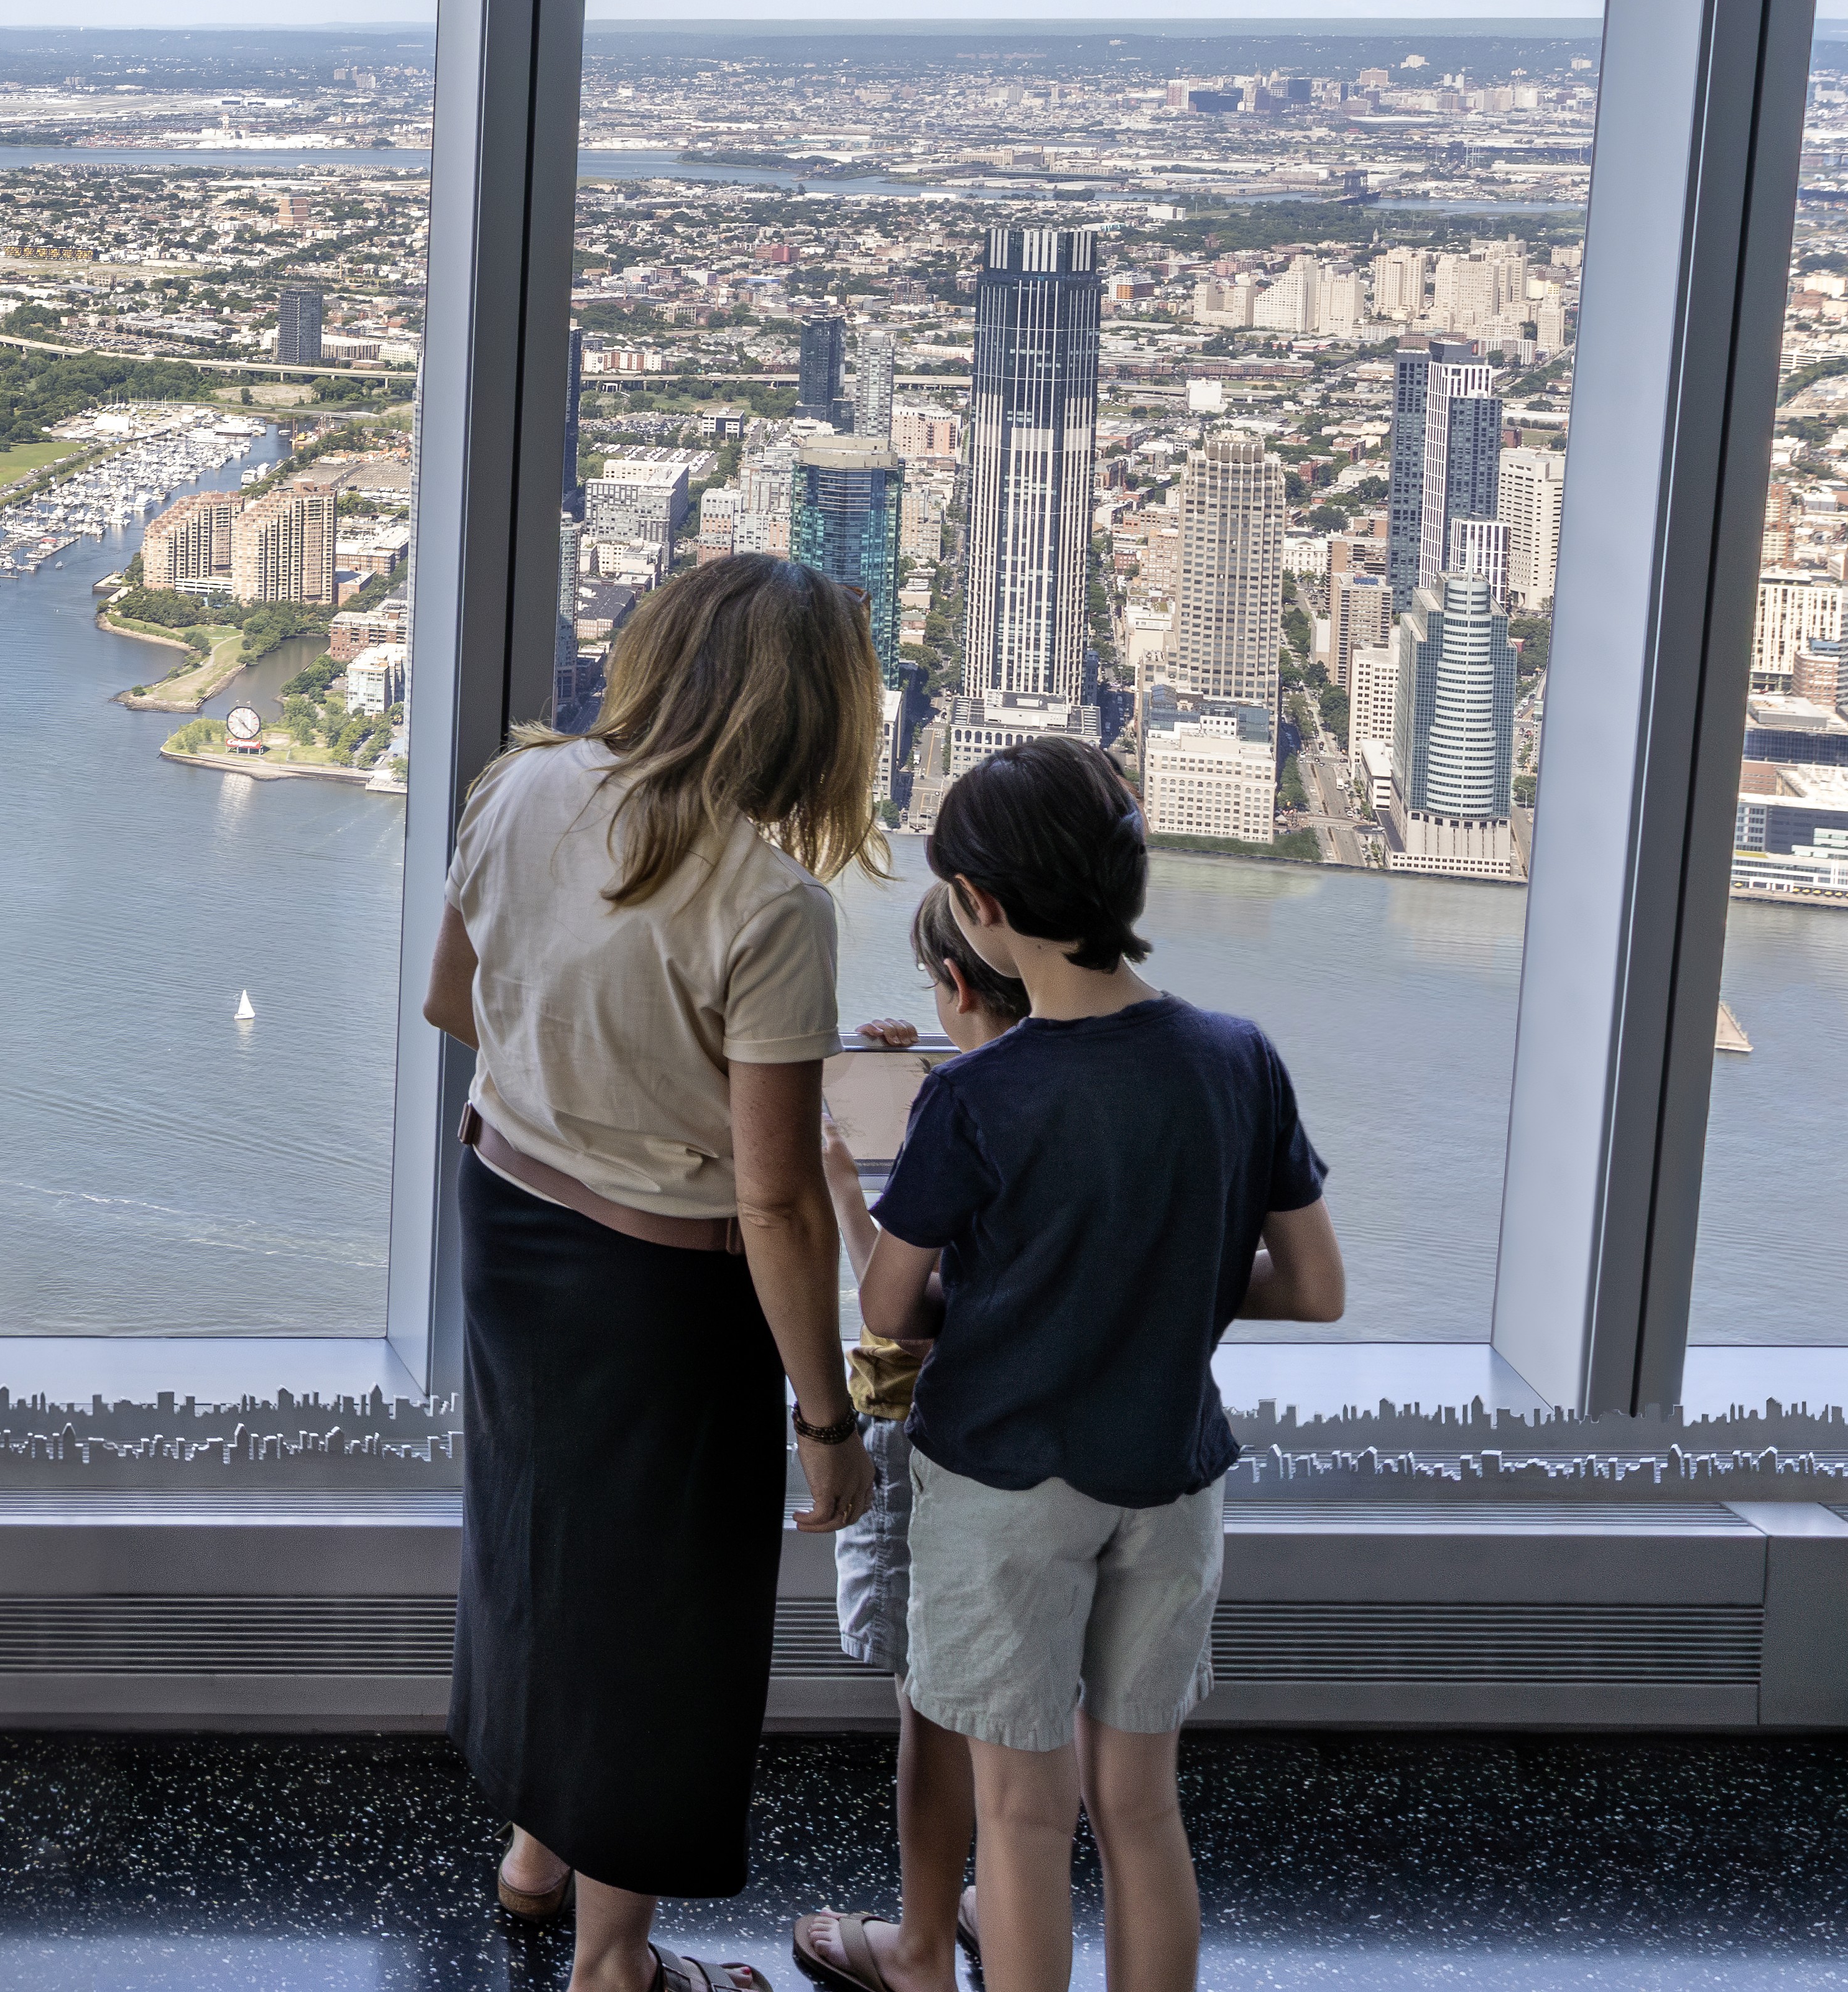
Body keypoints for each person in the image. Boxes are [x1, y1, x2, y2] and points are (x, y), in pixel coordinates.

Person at [424, 552, 887, 1992]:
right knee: (659, 1618)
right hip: (658, 1289)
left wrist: (578, 1072)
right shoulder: (770, 904)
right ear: (813, 722)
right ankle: (615, 1962)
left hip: (504, 1215)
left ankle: (533, 1855)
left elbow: (455, 995)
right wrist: (826, 1417)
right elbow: (776, 1198)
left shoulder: (521, 784)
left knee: (537, 1537)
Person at [853, 737, 1342, 1992]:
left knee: (1021, 1811)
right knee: (1140, 1802)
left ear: (982, 908)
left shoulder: (973, 1096)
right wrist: (1158, 1276)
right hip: (1171, 1477)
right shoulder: (1241, 1055)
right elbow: (1315, 1287)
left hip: (1006, 1481)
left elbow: (892, 1307)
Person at [788, 878, 1034, 1992]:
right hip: (1042, 1442)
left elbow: (896, 1307)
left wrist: (848, 1184)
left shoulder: (953, 1107)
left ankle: (922, 1943)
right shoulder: (1059, 1088)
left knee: (930, 1699)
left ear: (951, 980)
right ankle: (1006, 1900)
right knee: (1024, 1690)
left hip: (922, 1426)